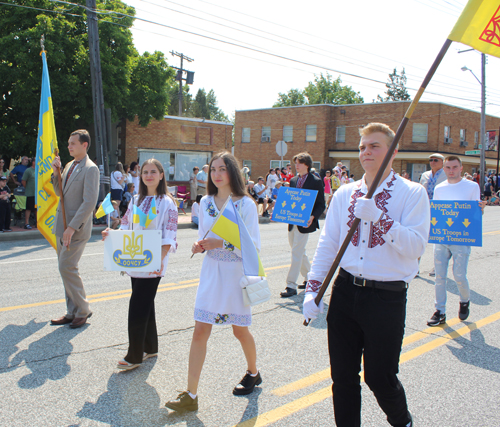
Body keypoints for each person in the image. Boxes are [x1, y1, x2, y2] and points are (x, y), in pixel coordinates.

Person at [303, 123, 429, 427]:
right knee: (343, 377)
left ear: (393, 150)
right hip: (345, 292)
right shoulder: (345, 193)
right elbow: (328, 245)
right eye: (362, 147)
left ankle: (402, 421)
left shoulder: (413, 193)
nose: (366, 152)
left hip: (386, 297)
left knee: (380, 376)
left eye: (374, 146)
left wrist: (380, 219)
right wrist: (313, 289)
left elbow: (415, 247)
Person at [165, 152, 262, 412]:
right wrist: (200, 245)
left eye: (223, 169)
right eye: (214, 170)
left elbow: (254, 247)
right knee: (200, 331)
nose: (217, 174)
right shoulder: (205, 201)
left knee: (239, 330)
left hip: (236, 275)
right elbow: (204, 236)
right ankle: (191, 395)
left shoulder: (246, 205)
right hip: (211, 273)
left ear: (233, 172)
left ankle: (253, 372)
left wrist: (221, 243)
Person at [102, 159, 178, 370]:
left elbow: (169, 234)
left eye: (154, 171)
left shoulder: (167, 203)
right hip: (135, 259)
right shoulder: (136, 199)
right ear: (140, 175)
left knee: (137, 307)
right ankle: (150, 346)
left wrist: (159, 259)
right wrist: (112, 233)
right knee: (145, 304)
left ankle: (134, 355)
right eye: (145, 172)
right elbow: (126, 224)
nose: (149, 175)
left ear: (161, 175)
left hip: (153, 263)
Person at [427, 156, 486, 327]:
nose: (451, 170)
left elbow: (475, 213)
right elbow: (437, 213)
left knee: (459, 275)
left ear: (461, 168)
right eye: (448, 167)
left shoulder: (471, 186)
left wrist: (480, 209)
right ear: (444, 169)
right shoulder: (439, 188)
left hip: (461, 238)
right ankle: (440, 311)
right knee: (440, 276)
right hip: (442, 237)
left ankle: (464, 300)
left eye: (454, 167)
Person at [50, 129, 99, 329]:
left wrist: (71, 228)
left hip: (75, 229)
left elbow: (89, 203)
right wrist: (56, 172)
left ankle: (83, 309)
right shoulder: (69, 165)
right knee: (66, 270)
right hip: (61, 226)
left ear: (84, 145)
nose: (69, 146)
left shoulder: (90, 168)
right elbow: (58, 192)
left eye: (72, 143)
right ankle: (72, 311)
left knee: (66, 267)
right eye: (68, 143)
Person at [280, 152, 325, 297]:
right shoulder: (293, 180)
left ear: (307, 164)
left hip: (305, 223)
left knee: (296, 253)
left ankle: (290, 285)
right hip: (292, 222)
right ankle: (310, 277)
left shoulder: (316, 181)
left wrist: (313, 217)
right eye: (295, 163)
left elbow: (320, 204)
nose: (296, 165)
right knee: (299, 251)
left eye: (299, 163)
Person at [420, 153, 447, 277]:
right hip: (425, 208)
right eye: (431, 160)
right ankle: (415, 267)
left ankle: (437, 267)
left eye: (436, 160)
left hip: (441, 210)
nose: (433, 162)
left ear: (442, 162)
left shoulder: (447, 174)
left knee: (439, 241)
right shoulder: (425, 175)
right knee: (420, 236)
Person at [21, 158, 36, 229]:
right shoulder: (28, 170)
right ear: (33, 162)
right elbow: (23, 181)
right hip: (30, 193)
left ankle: (38, 222)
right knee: (29, 208)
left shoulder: (39, 170)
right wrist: (27, 188)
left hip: (37, 193)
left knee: (36, 208)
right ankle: (26, 223)